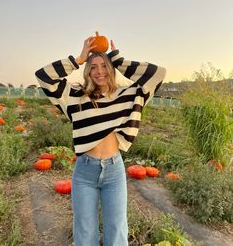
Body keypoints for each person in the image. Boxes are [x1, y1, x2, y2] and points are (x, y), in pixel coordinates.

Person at [35, 36, 166, 246]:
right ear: (87, 70)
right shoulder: (75, 98)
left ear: (112, 68)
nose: (99, 71)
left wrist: (118, 59)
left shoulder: (128, 95)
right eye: (93, 66)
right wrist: (78, 59)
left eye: (105, 66)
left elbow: (157, 74)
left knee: (117, 232)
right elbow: (43, 77)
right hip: (84, 172)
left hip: (114, 171)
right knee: (85, 232)